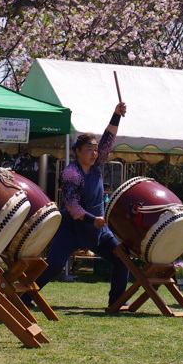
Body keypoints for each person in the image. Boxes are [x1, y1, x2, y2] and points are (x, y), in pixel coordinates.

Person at [30, 103, 130, 309]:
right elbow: (73, 206)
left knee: (122, 259)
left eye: (95, 150)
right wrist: (95, 220)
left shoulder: (98, 165)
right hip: (72, 228)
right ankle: (24, 297)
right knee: (55, 264)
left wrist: (116, 115)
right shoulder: (71, 173)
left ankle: (117, 301)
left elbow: (108, 140)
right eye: (89, 150)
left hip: (97, 229)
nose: (94, 153)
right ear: (77, 151)